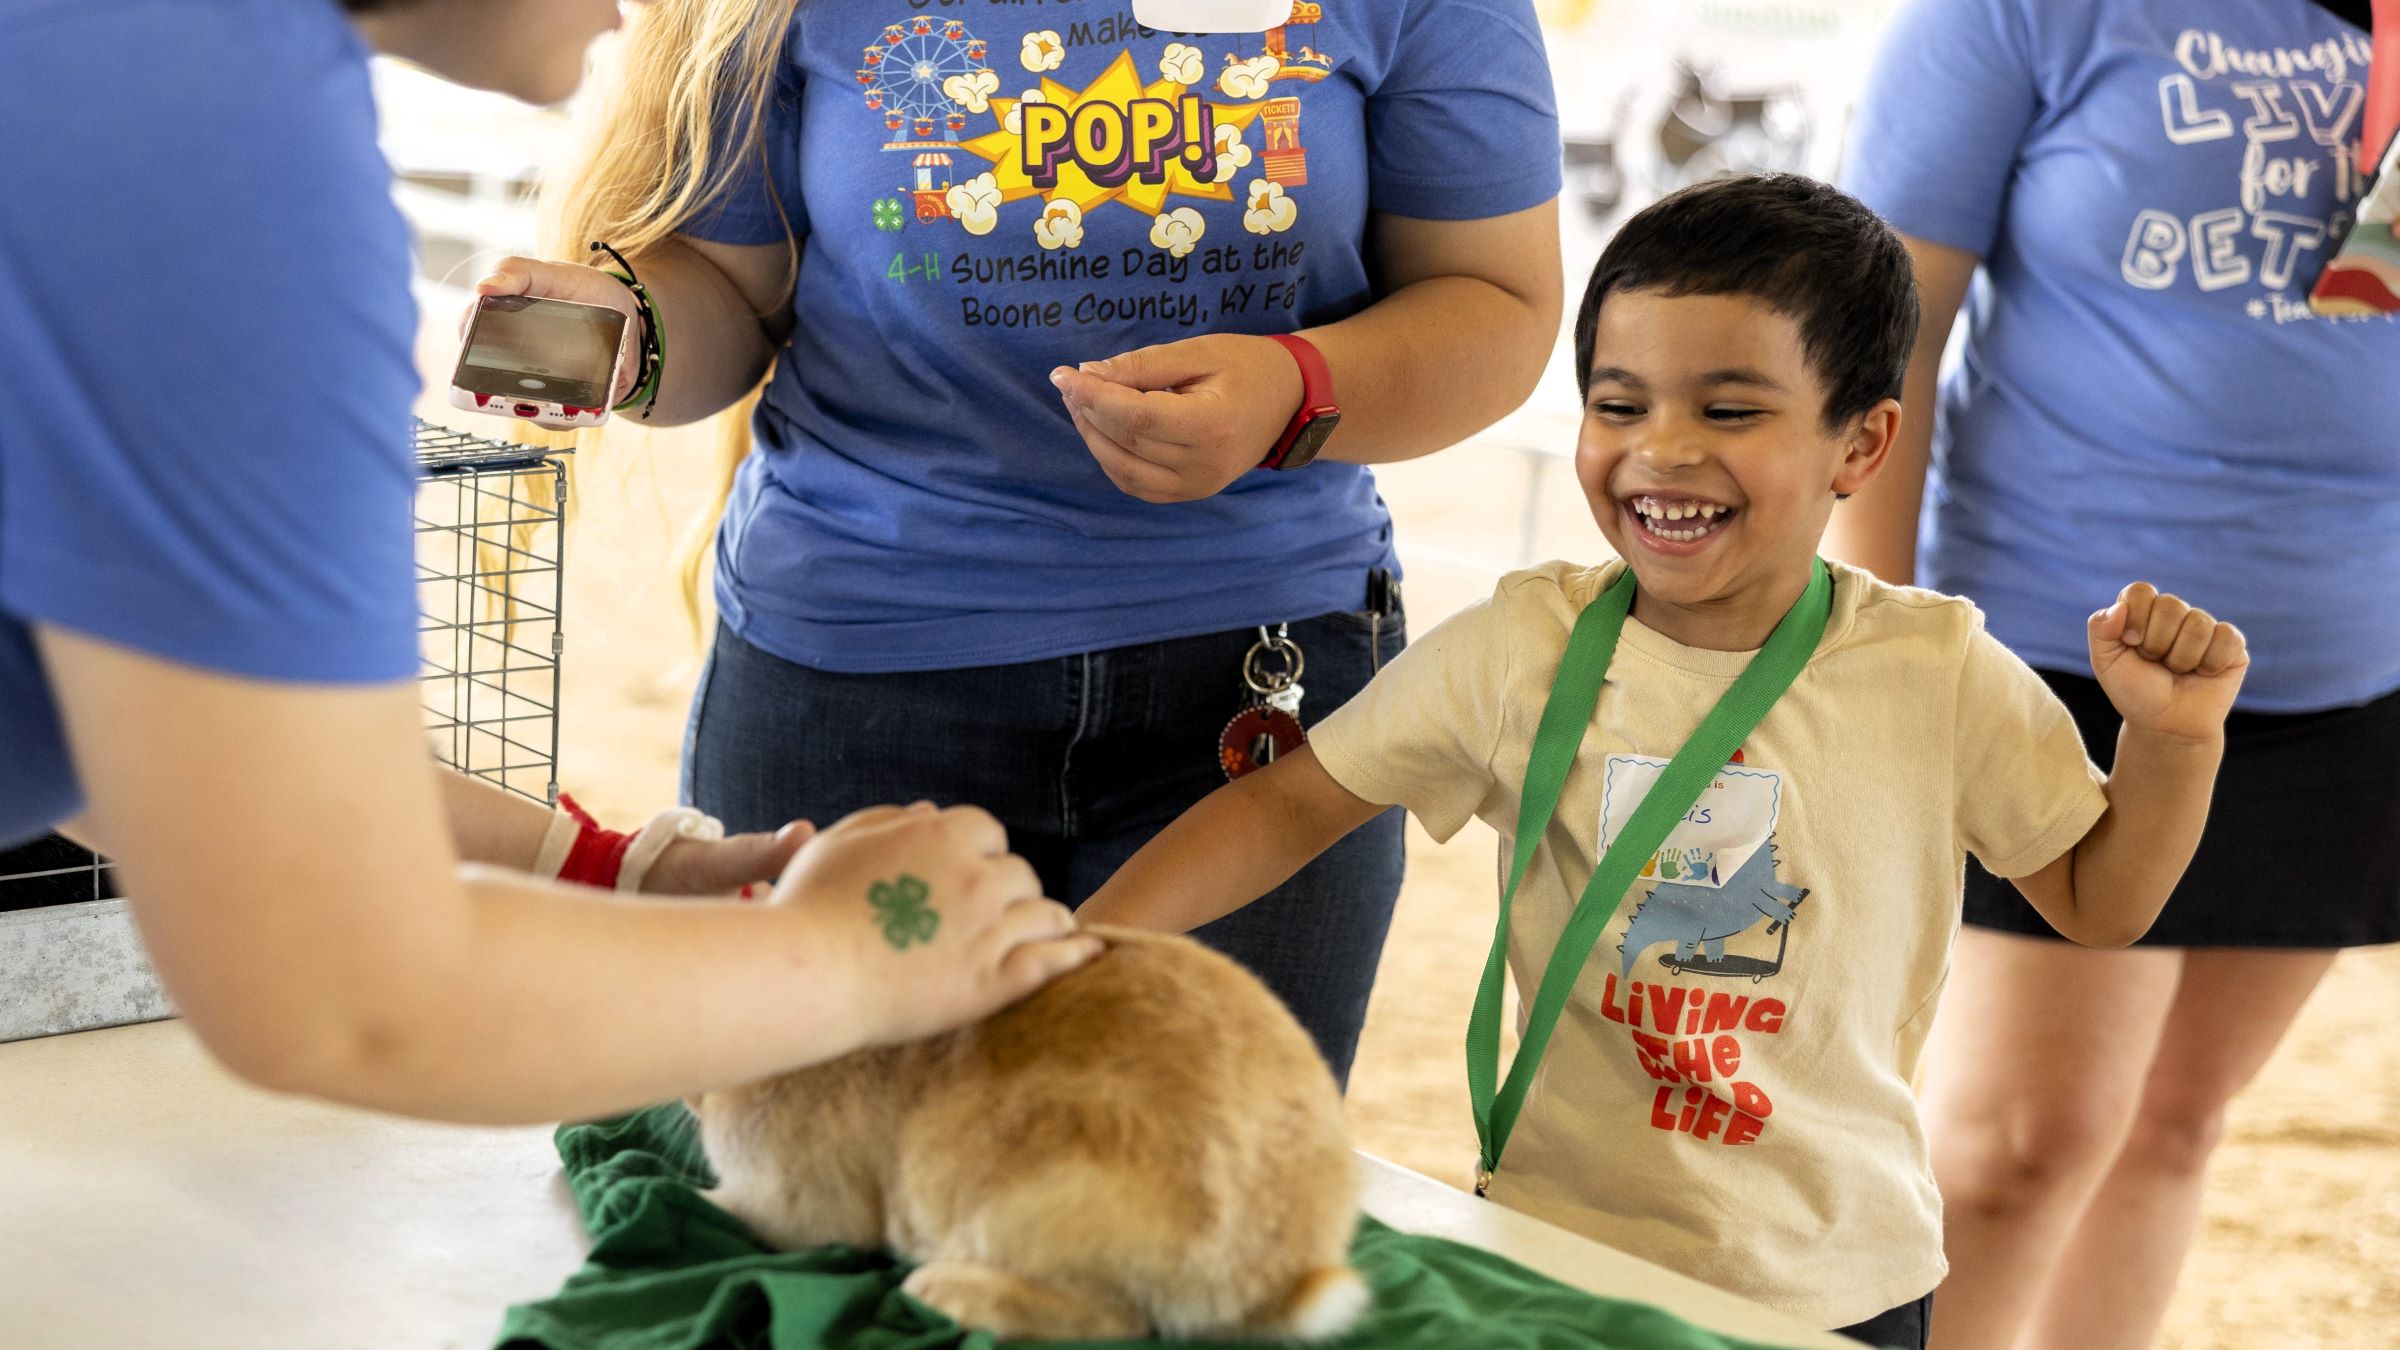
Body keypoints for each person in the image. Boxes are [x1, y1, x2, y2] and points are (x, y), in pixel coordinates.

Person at [1077, 175, 2252, 1348]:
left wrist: (2174, 737)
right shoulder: (1521, 646)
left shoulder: (1935, 670)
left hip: (1842, 1287)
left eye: (1729, 412)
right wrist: (1079, 953)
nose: (1661, 454)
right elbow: (1289, 807)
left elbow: (2102, 901)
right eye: (1619, 404)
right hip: (1553, 1265)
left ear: (1862, 442)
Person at [0, 0, 1096, 1126]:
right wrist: (860, 958)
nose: (643, 10)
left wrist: (612, 870)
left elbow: (147, 729)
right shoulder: (207, 139)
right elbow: (344, 993)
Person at [470, 0, 1566, 1084]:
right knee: (819, 1181)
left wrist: (1295, 392)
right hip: (850, 677)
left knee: (1198, 1207)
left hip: (1257, 692)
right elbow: (724, 289)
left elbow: (1495, 300)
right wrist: (628, 335)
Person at [1836, 2, 2400, 1345]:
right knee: (2018, 1149)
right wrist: (1893, 637)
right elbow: (1882, 329)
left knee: (2174, 1125)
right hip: (2065, 649)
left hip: (2352, 665)